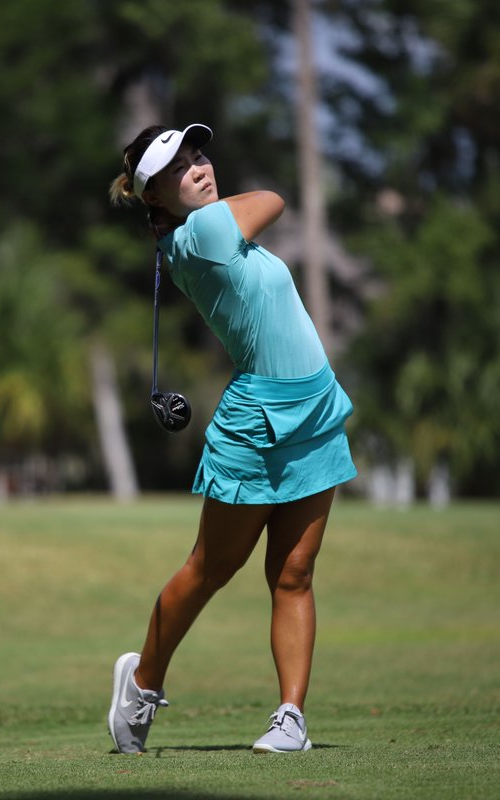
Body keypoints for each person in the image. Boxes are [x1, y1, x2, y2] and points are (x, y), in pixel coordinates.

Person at [105, 124, 357, 755]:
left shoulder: (204, 233)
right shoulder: (207, 232)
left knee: (294, 573)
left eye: (199, 156)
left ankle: (290, 718)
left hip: (314, 408)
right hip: (258, 422)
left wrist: (198, 192)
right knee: (211, 568)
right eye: (179, 168)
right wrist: (213, 203)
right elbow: (274, 197)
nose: (199, 168)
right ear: (154, 197)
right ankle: (141, 681)